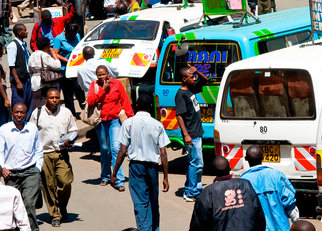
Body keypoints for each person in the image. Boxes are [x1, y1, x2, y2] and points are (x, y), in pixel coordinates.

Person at [111, 94, 169, 231]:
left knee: (140, 203)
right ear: (150, 107)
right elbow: (164, 153)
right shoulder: (158, 125)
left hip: (136, 167)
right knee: (153, 201)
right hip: (153, 168)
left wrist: (114, 173)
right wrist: (166, 177)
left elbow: (122, 151)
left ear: (136, 106)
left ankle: (144, 229)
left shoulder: (128, 123)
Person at [0, 103, 43, 231]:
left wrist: (37, 168)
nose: (19, 115)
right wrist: (2, 167)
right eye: (17, 112)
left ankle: (33, 229)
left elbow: (38, 150)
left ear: (26, 114)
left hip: (30, 172)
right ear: (12, 113)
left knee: (28, 204)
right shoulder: (4, 129)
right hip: (11, 174)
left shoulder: (32, 128)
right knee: (12, 206)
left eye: (22, 112)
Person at [29, 89, 76, 227]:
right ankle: (54, 215)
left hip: (62, 153)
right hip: (45, 154)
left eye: (57, 98)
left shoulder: (66, 112)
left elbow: (73, 130)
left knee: (65, 182)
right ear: (45, 99)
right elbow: (31, 134)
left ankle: (63, 206)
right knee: (49, 185)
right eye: (52, 98)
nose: (55, 100)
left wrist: (70, 141)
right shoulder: (37, 114)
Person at [87, 65, 134, 191]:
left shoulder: (117, 84)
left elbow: (125, 101)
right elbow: (90, 101)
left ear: (108, 74)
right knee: (104, 149)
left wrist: (131, 119)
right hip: (101, 121)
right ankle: (105, 176)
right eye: (99, 75)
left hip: (115, 120)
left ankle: (119, 180)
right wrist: (102, 90)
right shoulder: (94, 85)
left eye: (103, 74)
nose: (101, 77)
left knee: (115, 148)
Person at [189, 156, 266, 231]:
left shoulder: (207, 193)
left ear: (213, 172)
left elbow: (197, 225)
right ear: (230, 168)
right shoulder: (245, 184)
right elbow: (259, 216)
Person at [241, 145, 299, 231]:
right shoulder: (277, 175)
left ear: (246, 159)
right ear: (263, 157)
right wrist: (297, 224)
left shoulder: (242, 182)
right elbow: (290, 204)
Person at [175, 65, 208, 202]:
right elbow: (179, 116)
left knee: (193, 162)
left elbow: (205, 80)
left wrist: (197, 71)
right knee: (197, 163)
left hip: (196, 132)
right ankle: (192, 192)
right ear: (184, 79)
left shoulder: (190, 89)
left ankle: (190, 188)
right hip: (191, 134)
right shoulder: (181, 94)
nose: (194, 78)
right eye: (191, 77)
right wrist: (186, 134)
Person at [52, 23, 85, 116]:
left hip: (76, 67)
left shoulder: (77, 36)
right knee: (67, 92)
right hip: (64, 68)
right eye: (71, 34)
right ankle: (72, 114)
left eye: (74, 34)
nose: (73, 36)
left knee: (79, 88)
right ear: (66, 31)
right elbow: (55, 54)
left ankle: (84, 107)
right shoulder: (58, 39)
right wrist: (68, 60)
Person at [28, 37, 61, 117]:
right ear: (46, 46)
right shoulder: (45, 56)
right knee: (46, 104)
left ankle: (37, 119)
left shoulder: (32, 55)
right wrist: (53, 54)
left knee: (36, 104)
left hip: (35, 83)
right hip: (45, 83)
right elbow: (57, 65)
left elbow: (29, 70)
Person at [8, 24, 32, 109]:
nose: (27, 32)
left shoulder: (23, 44)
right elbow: (11, 65)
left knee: (28, 103)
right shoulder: (13, 46)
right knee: (20, 105)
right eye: (25, 30)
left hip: (27, 78)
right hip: (20, 80)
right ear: (19, 32)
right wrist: (18, 82)